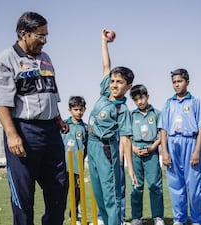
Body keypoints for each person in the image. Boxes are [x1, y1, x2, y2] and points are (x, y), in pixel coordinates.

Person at [0, 11, 69, 225]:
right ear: (24, 34)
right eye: (40, 36)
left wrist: (58, 119)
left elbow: (50, 92)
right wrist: (12, 134)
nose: (44, 41)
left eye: (46, 36)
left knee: (59, 188)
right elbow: (1, 101)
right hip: (24, 132)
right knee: (23, 196)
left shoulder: (46, 59)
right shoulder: (6, 59)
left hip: (51, 133)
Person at [87, 29, 138, 225]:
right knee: (98, 193)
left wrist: (129, 168)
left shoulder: (123, 110)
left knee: (111, 196)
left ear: (129, 86)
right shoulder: (104, 92)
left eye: (120, 82)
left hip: (107, 150)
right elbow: (106, 65)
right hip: (91, 146)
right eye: (113, 81)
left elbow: (125, 139)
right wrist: (104, 42)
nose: (115, 85)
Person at [159, 68, 201, 225]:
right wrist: (164, 152)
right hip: (172, 144)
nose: (177, 85)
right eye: (174, 82)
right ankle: (179, 219)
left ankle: (197, 219)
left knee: (194, 186)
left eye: (180, 81)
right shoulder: (168, 103)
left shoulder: (194, 101)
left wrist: (197, 150)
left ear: (187, 82)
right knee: (175, 185)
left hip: (190, 143)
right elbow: (163, 129)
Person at [129, 84, 165, 225]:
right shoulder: (131, 115)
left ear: (147, 96)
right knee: (136, 185)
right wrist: (133, 148)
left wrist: (154, 146)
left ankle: (158, 217)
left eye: (142, 98)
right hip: (136, 151)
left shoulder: (156, 113)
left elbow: (162, 134)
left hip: (152, 151)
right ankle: (137, 217)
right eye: (136, 99)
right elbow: (126, 136)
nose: (140, 102)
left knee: (155, 185)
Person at [61, 96, 88, 225]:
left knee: (77, 194)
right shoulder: (64, 125)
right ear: (70, 110)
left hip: (78, 167)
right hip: (63, 167)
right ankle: (58, 216)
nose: (78, 112)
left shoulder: (85, 128)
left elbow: (87, 146)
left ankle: (75, 216)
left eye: (81, 109)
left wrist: (82, 159)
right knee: (61, 193)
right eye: (75, 109)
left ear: (84, 109)